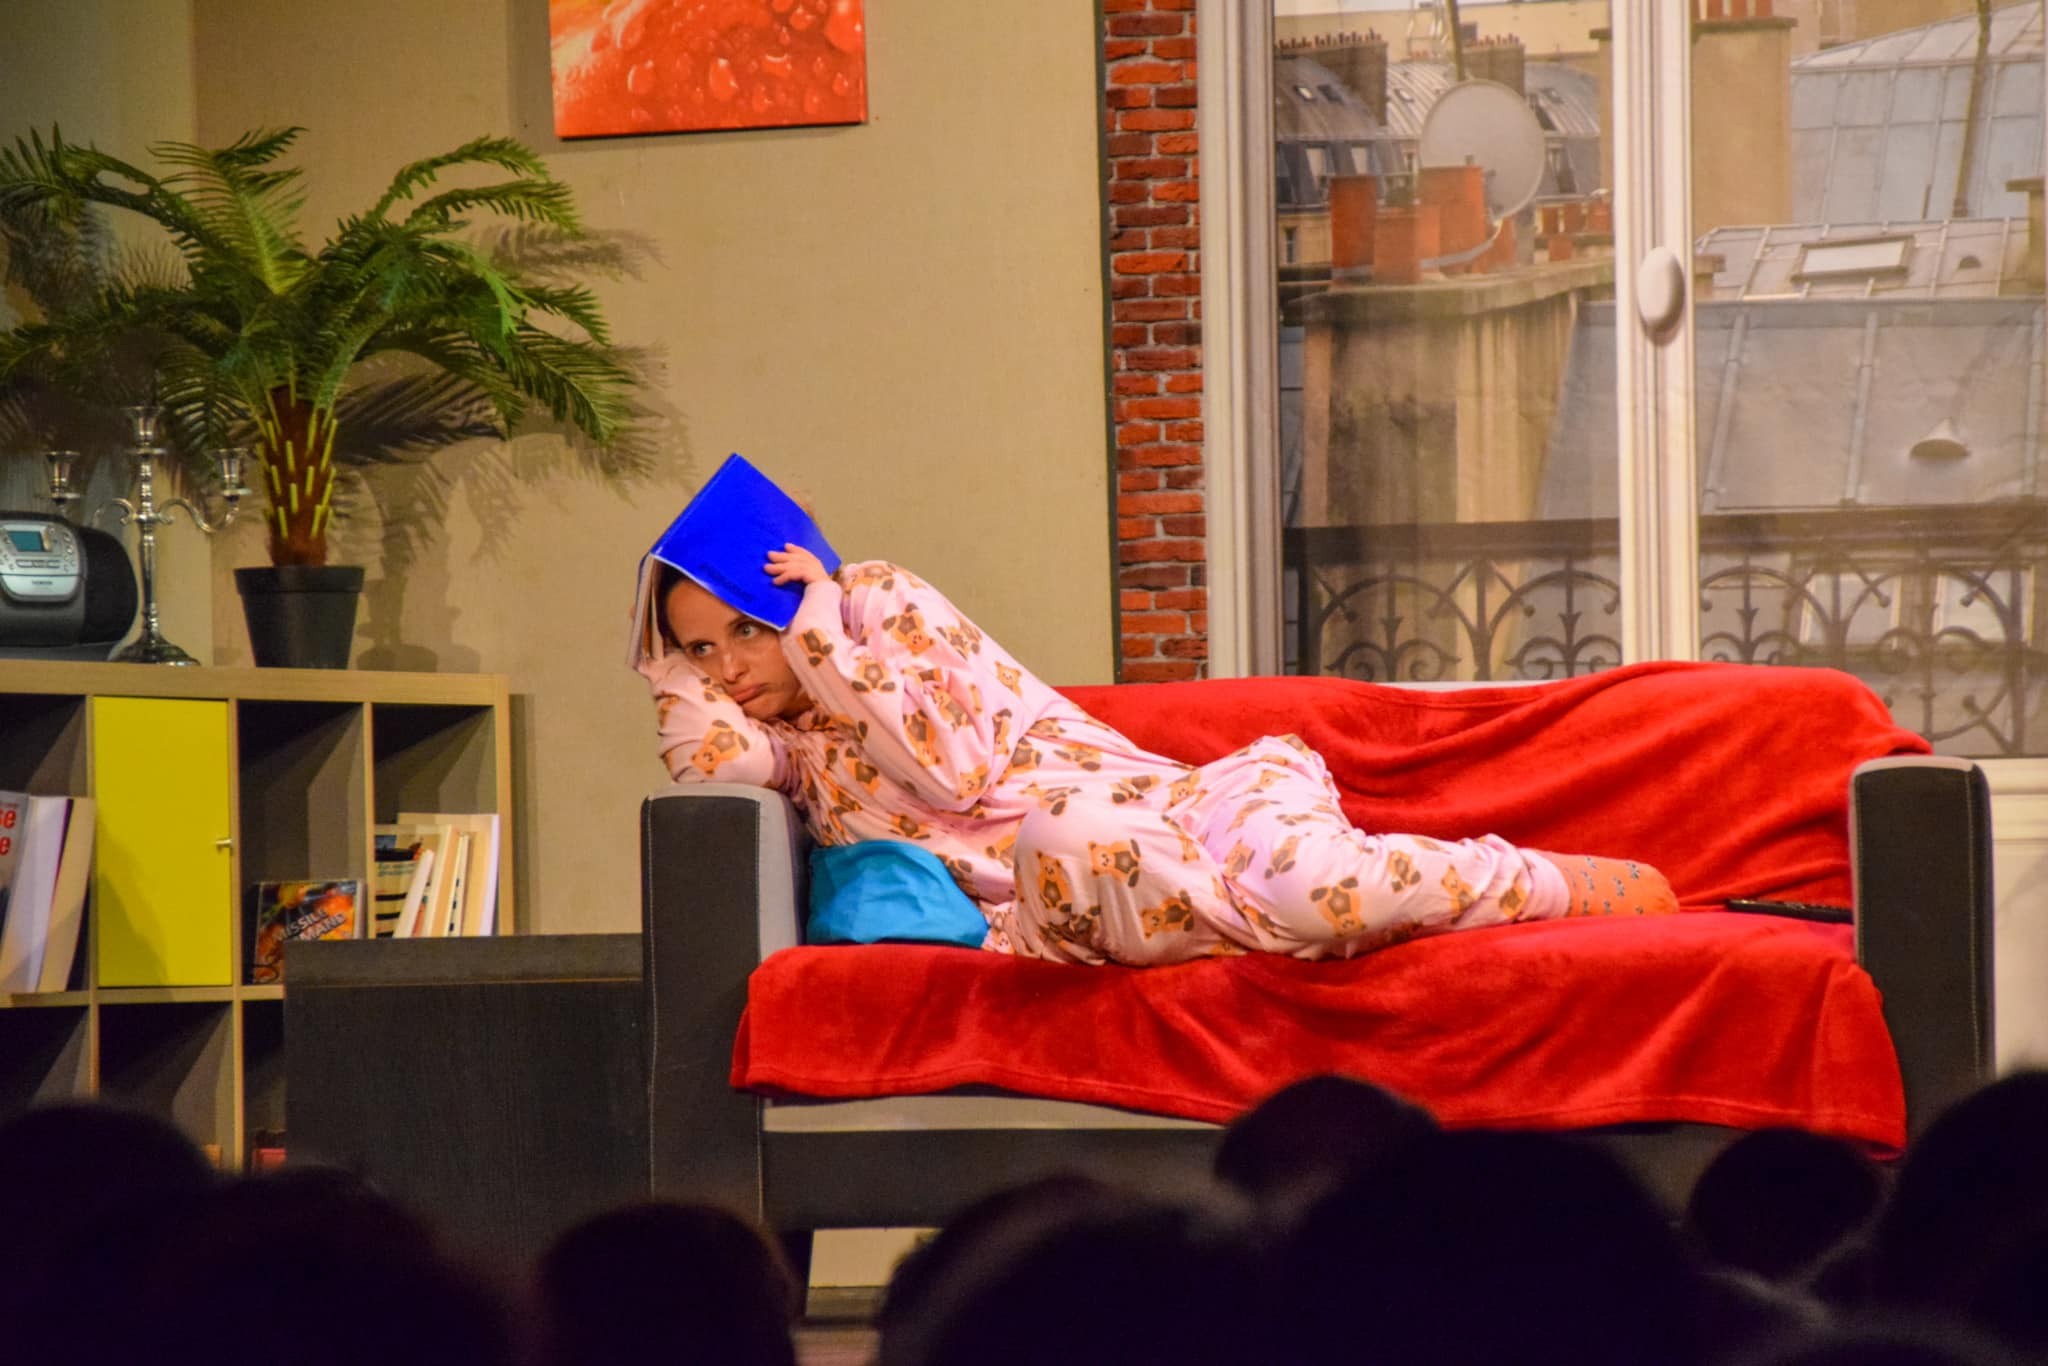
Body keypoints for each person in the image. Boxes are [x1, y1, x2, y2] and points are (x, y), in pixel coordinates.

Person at [635, 539, 1677, 967]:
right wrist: (662, 651)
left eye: (745, 630)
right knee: (1064, 838)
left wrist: (821, 630)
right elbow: (704, 755)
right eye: (699, 651)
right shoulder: (791, 757)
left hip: (1201, 809)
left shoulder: (875, 606)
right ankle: (1285, 931)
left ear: (794, 598)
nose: (728, 669)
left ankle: (1543, 883)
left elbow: (946, 767)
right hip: (1065, 894)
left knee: (1313, 883)